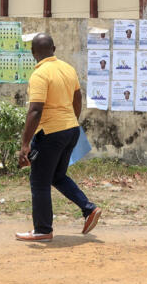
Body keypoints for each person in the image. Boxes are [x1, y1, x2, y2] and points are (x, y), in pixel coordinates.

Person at [16, 34, 101, 242]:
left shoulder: (39, 74)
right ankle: (89, 209)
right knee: (57, 176)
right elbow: (78, 98)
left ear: (32, 53)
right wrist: (71, 122)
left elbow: (35, 110)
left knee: (39, 181)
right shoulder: (68, 68)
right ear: (54, 48)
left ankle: (43, 230)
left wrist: (25, 144)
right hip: (71, 129)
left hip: (51, 133)